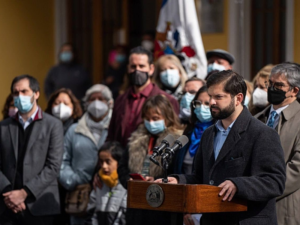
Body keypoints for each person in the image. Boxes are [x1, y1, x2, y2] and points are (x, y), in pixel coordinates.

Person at [157, 70, 286, 225]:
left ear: (238, 98)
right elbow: (201, 178)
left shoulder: (262, 134)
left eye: (218, 97)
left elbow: (274, 182)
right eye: (210, 96)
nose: (211, 102)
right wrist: (178, 180)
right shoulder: (208, 134)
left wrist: (238, 185)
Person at [0, 75, 64, 225]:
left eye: (24, 91)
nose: (19, 96)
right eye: (16, 93)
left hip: (40, 205)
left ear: (36, 94)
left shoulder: (53, 125)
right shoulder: (3, 127)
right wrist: (9, 194)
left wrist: (24, 193)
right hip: (7, 207)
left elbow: (53, 166)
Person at [59, 84, 113, 225]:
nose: (96, 103)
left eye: (101, 99)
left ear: (109, 103)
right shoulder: (73, 130)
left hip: (109, 194)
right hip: (79, 197)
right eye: (92, 99)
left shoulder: (115, 127)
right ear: (86, 103)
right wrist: (73, 180)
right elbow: (62, 160)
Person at [254, 62, 300, 225]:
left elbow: (297, 168)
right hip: (253, 208)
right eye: (270, 84)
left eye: (279, 85)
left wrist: (262, 190)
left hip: (285, 208)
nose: (272, 89)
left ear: (294, 90)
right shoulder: (257, 119)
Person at [106, 46, 179, 147]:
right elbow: (112, 134)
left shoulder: (167, 100)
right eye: (133, 66)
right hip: (122, 159)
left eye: (141, 66)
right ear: (128, 68)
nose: (137, 70)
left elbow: (174, 136)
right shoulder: (121, 99)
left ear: (151, 69)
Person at [118, 94, 183, 188]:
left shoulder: (177, 141)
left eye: (155, 118)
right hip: (137, 192)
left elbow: (177, 171)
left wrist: (157, 179)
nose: (151, 122)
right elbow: (122, 166)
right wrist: (129, 180)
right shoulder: (136, 138)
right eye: (147, 119)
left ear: (167, 118)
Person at [174, 85, 214, 175]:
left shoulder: (219, 132)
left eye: (207, 103)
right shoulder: (189, 130)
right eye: (198, 103)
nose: (202, 107)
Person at [85, 142, 127, 225]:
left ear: (119, 162)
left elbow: (124, 218)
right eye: (101, 161)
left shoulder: (126, 186)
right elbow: (91, 214)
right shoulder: (98, 183)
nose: (104, 166)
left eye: (108, 162)